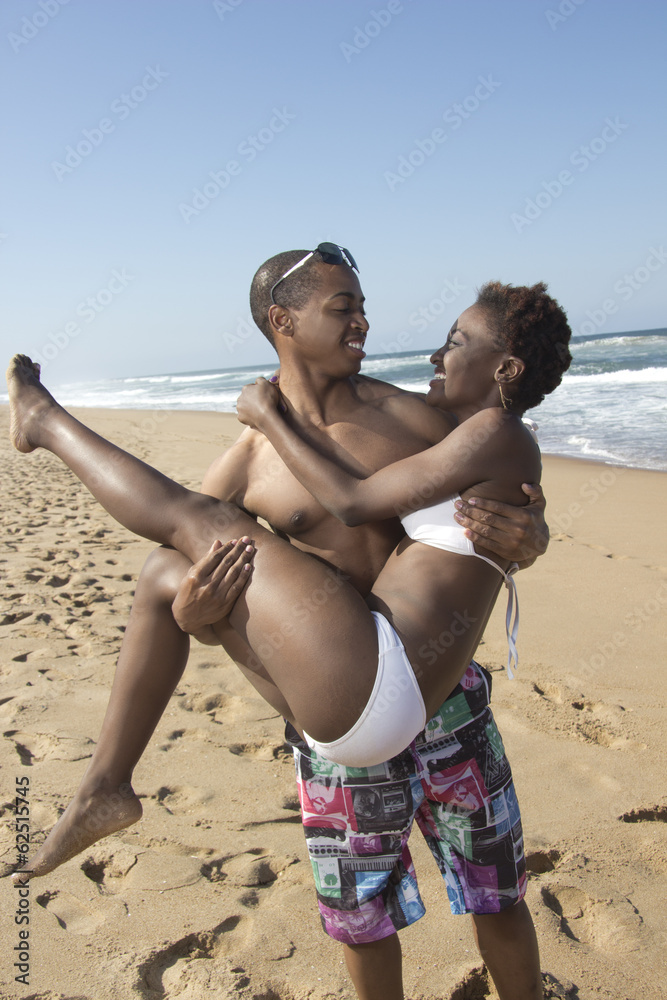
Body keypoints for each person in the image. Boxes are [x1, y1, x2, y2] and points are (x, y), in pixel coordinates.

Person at [7, 246, 568, 999]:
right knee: (361, 921)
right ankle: (108, 783)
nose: (365, 320)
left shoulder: (414, 414)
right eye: (344, 307)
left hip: (441, 696)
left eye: (360, 304)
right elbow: (216, 593)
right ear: (282, 320)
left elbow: (495, 492)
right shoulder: (246, 460)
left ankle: (43, 421)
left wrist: (533, 534)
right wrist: (190, 613)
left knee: (497, 892)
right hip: (347, 693)